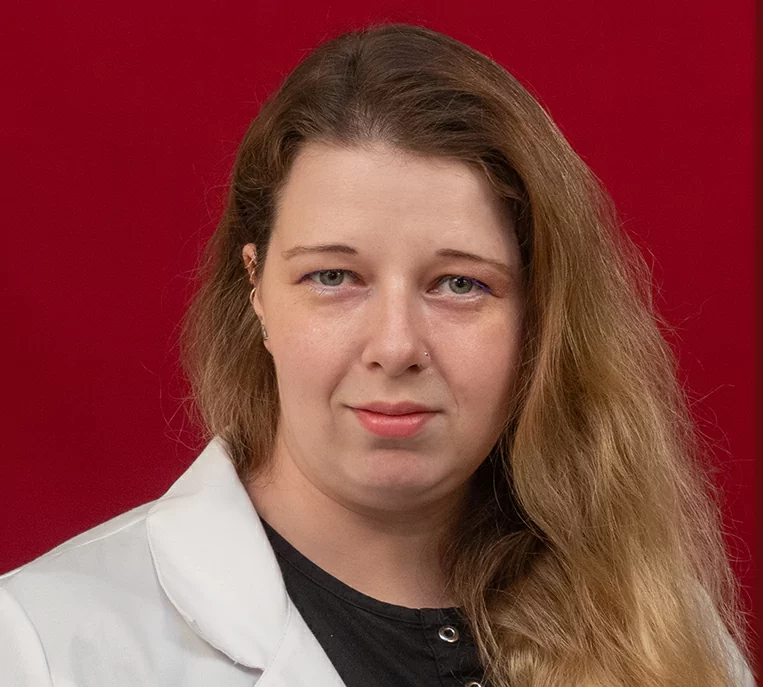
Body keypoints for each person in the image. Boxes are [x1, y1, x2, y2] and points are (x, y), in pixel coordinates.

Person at [0, 22, 755, 687]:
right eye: (333, 277)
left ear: (538, 317)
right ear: (257, 289)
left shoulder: (663, 630)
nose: (395, 347)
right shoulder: (43, 645)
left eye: (459, 284)